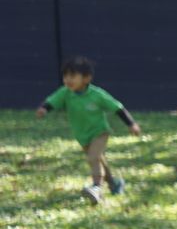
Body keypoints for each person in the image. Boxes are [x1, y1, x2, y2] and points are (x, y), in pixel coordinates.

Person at [35, 57, 140, 204]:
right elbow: (53, 101)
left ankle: (97, 188)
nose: (67, 80)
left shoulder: (97, 94)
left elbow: (117, 108)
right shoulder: (65, 93)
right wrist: (44, 109)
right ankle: (115, 183)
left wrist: (131, 124)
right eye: (65, 76)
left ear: (86, 78)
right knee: (98, 159)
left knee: (93, 158)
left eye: (72, 76)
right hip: (82, 135)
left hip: (99, 132)